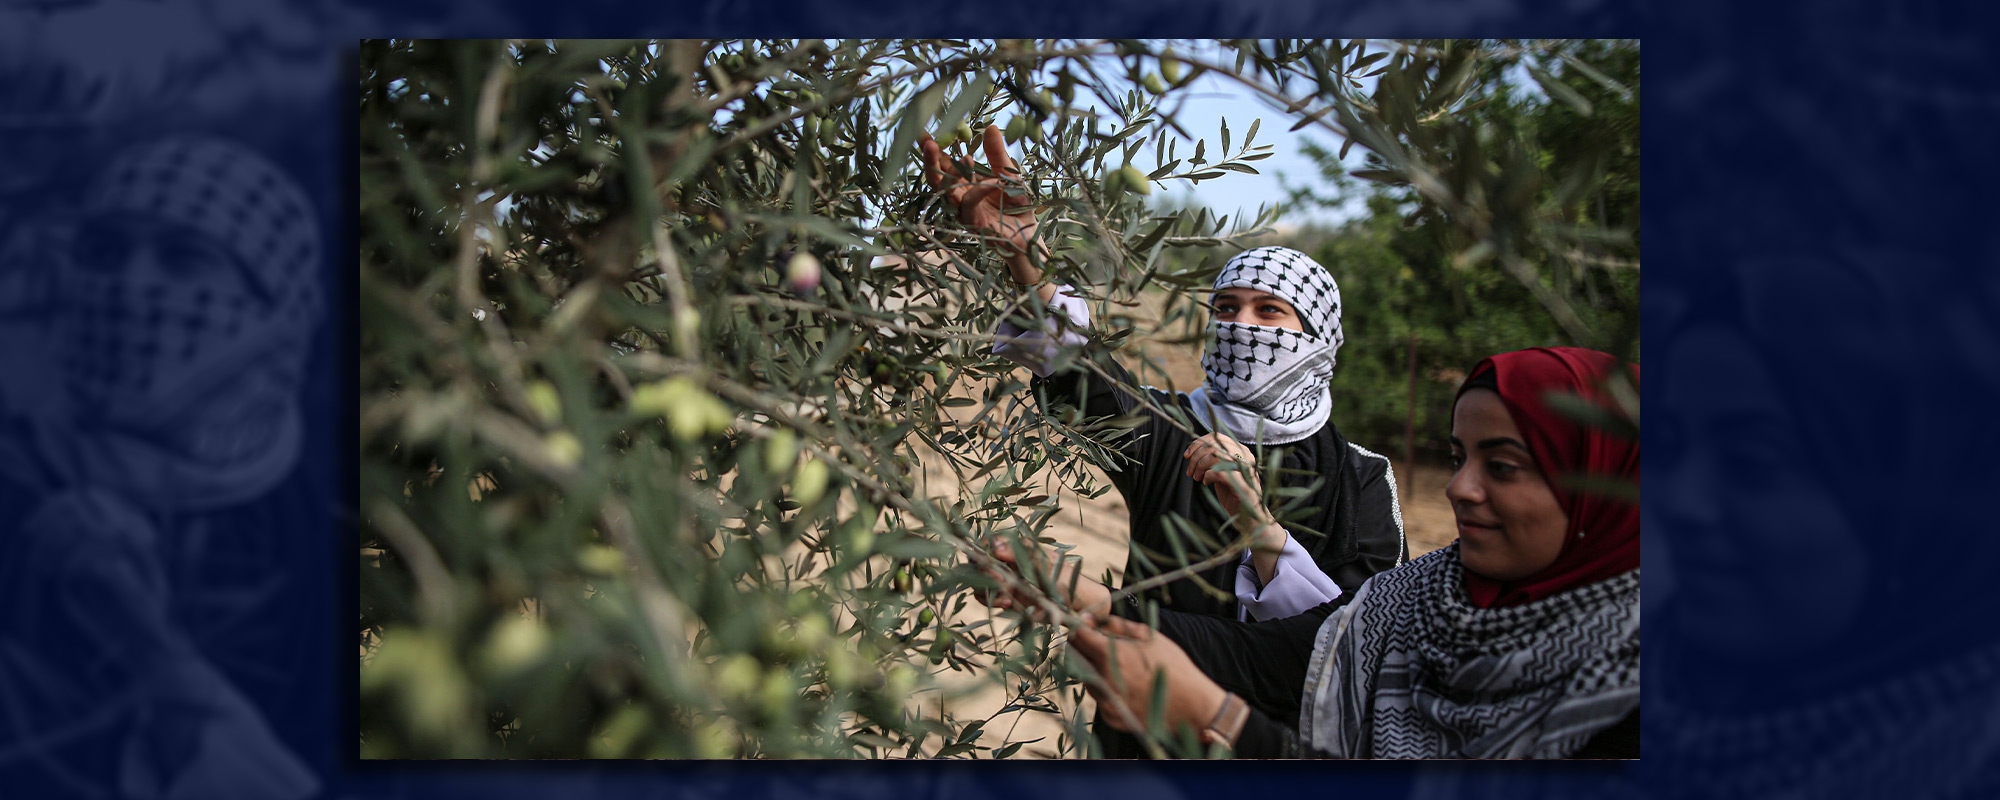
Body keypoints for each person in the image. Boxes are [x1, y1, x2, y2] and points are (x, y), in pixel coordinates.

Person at [922, 125, 1408, 758]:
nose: (1240, 326)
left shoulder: (1360, 478)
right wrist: (1022, 258)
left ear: (1319, 338)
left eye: (1270, 312)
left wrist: (1260, 531)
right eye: (1227, 308)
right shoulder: (1174, 429)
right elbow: (1081, 371)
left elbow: (1349, 645)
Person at [990, 346, 1639, 758]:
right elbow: (1314, 645)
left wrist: (1226, 722)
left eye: (1501, 466)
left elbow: (1313, 655)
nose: (1458, 488)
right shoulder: (1425, 593)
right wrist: (1100, 602)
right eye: (1456, 457)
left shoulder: (1632, 694)